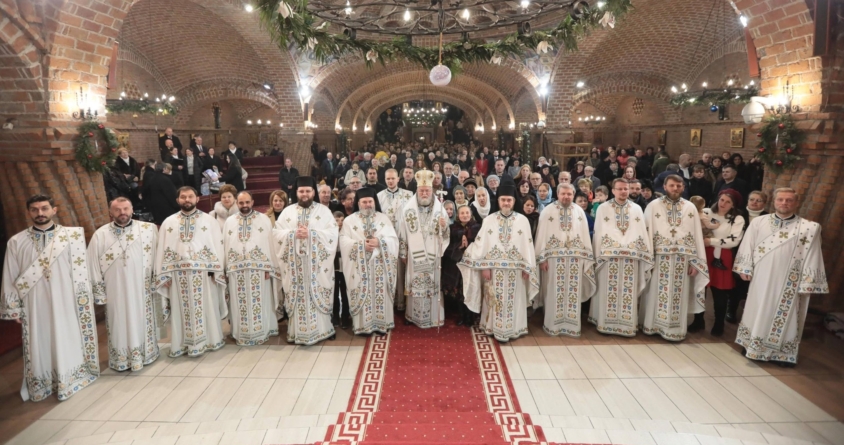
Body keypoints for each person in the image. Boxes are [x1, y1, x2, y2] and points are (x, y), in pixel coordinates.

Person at [1, 195, 100, 401]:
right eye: (35, 209)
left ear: (54, 210)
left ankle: (73, 376)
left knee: (67, 335)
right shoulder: (16, 242)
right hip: (35, 303)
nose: (40, 213)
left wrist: (84, 299)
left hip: (66, 299)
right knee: (41, 339)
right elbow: (10, 275)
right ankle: (44, 382)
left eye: (44, 208)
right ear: (28, 212)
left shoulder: (72, 236)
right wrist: (13, 307)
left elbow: (81, 272)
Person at [734, 188, 827, 366]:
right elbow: (748, 245)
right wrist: (744, 267)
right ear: (774, 202)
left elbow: (813, 254)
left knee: (787, 316)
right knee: (757, 309)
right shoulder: (759, 222)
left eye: (789, 200)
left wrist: (808, 282)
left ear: (796, 203)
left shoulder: (809, 228)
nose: (784, 203)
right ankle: (752, 345)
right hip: (761, 277)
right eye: (781, 199)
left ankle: (781, 354)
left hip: (790, 281)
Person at [458, 182, 539, 343]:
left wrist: (527, 267)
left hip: (516, 271)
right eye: (503, 200)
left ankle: (514, 328)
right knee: (494, 299)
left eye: (509, 200)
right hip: (494, 271)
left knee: (514, 300)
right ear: (499, 201)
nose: (506, 203)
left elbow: (528, 246)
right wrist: (485, 266)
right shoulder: (489, 220)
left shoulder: (523, 220)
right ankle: (492, 328)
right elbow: (482, 245)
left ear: (514, 201)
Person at [88, 197, 160, 371]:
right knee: (118, 321)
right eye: (117, 209)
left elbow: (159, 257)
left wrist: (157, 281)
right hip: (115, 289)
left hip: (142, 288)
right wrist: (99, 293)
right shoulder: (100, 234)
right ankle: (121, 358)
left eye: (126, 209)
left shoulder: (148, 229)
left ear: (132, 209)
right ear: (110, 212)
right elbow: (92, 265)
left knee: (142, 318)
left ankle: (146, 353)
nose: (122, 213)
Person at [155, 187, 228, 357]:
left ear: (197, 199)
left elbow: (217, 246)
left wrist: (216, 271)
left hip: (204, 274)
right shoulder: (168, 223)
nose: (187, 200)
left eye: (190, 196)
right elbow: (162, 250)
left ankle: (211, 340)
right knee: (180, 311)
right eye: (183, 197)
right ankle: (181, 345)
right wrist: (164, 275)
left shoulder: (209, 221)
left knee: (207, 307)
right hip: (177, 276)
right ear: (177, 200)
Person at [640, 176, 709, 341]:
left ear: (683, 187)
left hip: (682, 260)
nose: (675, 188)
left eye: (679, 185)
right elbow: (646, 233)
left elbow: (696, 237)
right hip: (658, 258)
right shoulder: (653, 206)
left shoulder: (690, 208)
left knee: (677, 295)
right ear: (665, 187)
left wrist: (694, 261)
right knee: (655, 292)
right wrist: (647, 258)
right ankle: (652, 326)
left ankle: (674, 329)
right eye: (672, 185)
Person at [273, 177, 339, 344]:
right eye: (301, 191)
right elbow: (276, 234)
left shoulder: (324, 211)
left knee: (318, 295)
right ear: (296, 192)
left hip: (317, 268)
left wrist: (311, 234)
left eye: (307, 191)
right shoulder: (287, 212)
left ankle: (324, 330)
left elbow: (332, 234)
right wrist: (292, 234)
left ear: (313, 192)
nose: (304, 194)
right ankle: (297, 333)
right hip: (295, 268)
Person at [589, 179, 653, 337]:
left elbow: (640, 232)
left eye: (626, 189)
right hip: (608, 258)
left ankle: (626, 325)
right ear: (613, 190)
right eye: (620, 189)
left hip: (630, 258)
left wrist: (631, 247)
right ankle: (605, 323)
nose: (623, 191)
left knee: (627, 292)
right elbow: (600, 232)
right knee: (607, 290)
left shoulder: (637, 209)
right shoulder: (603, 208)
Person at [535, 184, 597, 338]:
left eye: (569, 194)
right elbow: (541, 235)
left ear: (573, 195)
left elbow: (584, 236)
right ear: (557, 194)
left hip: (575, 260)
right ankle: (552, 325)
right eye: (563, 193)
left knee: (572, 293)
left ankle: (572, 326)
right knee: (553, 292)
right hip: (553, 260)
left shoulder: (579, 211)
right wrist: (542, 259)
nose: (566, 197)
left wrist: (585, 258)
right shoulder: (548, 211)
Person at [222, 191, 281, 345]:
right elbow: (226, 245)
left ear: (252, 202)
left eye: (247, 202)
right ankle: (241, 333)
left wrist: (269, 268)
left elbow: (269, 244)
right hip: (236, 271)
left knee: (260, 302)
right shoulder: (230, 221)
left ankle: (263, 331)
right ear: (236, 203)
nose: (245, 205)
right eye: (241, 203)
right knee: (239, 304)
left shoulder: (263, 220)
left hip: (259, 270)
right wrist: (226, 268)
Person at [339, 187, 399, 335]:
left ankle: (382, 324)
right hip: (359, 267)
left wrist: (380, 242)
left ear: (374, 202)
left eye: (370, 201)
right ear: (358, 203)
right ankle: (363, 327)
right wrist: (361, 245)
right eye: (364, 202)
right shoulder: (349, 221)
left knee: (380, 293)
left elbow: (393, 240)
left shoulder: (383, 219)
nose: (368, 205)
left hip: (380, 265)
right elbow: (343, 241)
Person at [398, 169, 450, 328]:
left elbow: (446, 234)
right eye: (422, 191)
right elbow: (402, 232)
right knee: (415, 284)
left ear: (432, 190)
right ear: (417, 191)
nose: (425, 193)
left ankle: (433, 317)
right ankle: (412, 316)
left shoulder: (440, 209)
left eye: (427, 190)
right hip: (414, 255)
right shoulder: (407, 209)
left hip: (433, 254)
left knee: (432, 283)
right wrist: (402, 253)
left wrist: (444, 226)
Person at [691, 189, 745, 336]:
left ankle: (719, 323)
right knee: (699, 288)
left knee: (719, 292)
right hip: (702, 254)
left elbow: (734, 240)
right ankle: (698, 320)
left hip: (720, 257)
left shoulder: (737, 218)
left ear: (733, 205)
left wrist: (711, 241)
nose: (723, 204)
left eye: (728, 202)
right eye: (722, 200)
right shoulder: (706, 212)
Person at [378, 169, 414, 311]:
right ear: (385, 179)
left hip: (403, 237)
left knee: (402, 270)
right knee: (388, 269)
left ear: (398, 179)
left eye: (393, 178)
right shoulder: (379, 196)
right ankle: (389, 302)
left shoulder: (408, 195)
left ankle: (402, 302)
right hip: (386, 239)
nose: (390, 181)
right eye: (388, 179)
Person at [443, 205, 482, 326]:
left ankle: (471, 316)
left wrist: (465, 235)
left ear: (471, 214)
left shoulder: (477, 227)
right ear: (458, 215)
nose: (465, 215)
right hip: (457, 265)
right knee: (460, 291)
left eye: (467, 213)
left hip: (471, 265)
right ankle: (461, 315)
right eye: (462, 213)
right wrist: (459, 244)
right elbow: (447, 246)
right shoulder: (452, 228)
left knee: (471, 289)